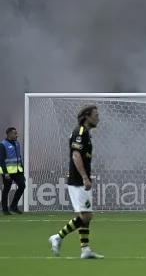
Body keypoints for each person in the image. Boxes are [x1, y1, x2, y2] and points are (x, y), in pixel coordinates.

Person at [49, 106, 103, 259]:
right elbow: (75, 156)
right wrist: (85, 177)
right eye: (96, 115)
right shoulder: (80, 132)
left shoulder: (86, 134)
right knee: (86, 216)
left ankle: (85, 250)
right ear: (87, 116)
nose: (98, 118)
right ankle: (58, 237)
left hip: (80, 179)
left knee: (86, 215)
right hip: (77, 180)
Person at [1, 127, 24, 214]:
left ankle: (13, 206)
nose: (17, 135)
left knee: (22, 186)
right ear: (9, 134)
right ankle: (5, 209)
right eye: (15, 133)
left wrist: (22, 170)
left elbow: (19, 157)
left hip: (18, 171)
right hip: (8, 172)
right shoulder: (2, 144)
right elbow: (1, 160)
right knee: (6, 189)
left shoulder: (17, 143)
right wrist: (5, 173)